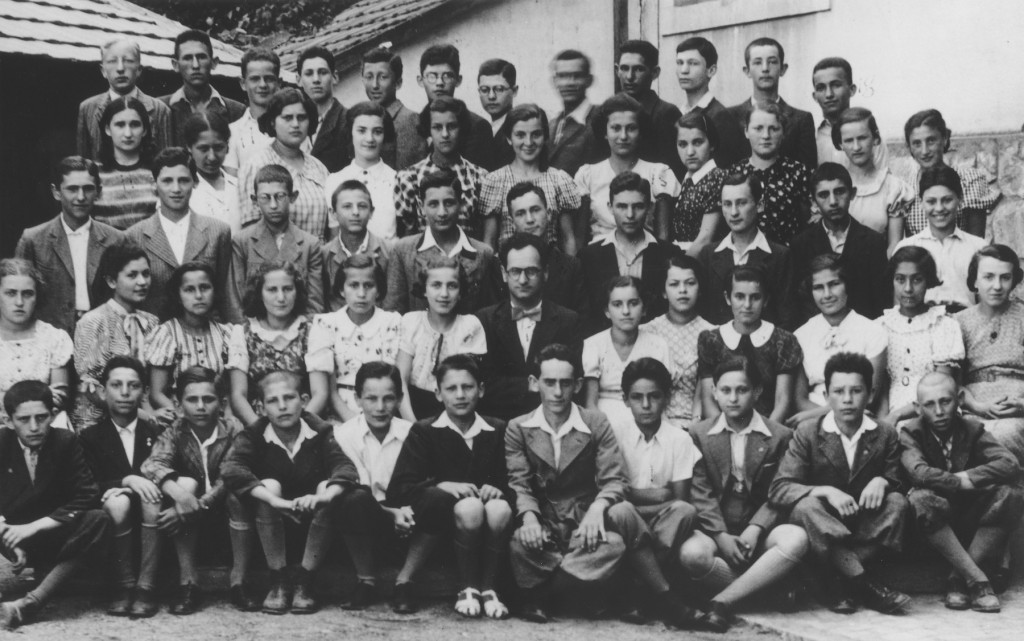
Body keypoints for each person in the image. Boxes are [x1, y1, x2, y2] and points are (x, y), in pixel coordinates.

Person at [506, 344, 694, 626]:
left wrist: (597, 510)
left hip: (585, 523)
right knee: (520, 544)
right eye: (550, 382)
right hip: (544, 521)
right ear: (535, 384)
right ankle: (578, 589)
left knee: (613, 545)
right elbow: (519, 482)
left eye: (566, 383)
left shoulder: (595, 422)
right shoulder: (518, 427)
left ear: (578, 385)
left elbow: (612, 479)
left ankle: (544, 594)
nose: (558, 392)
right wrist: (529, 518)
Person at [770, 352, 911, 615]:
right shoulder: (808, 432)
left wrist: (883, 481)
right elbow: (780, 488)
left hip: (862, 526)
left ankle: (835, 578)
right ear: (826, 396)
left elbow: (900, 482)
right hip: (822, 528)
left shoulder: (885, 433)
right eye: (838, 391)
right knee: (806, 507)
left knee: (898, 503)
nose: (847, 399)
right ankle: (863, 583)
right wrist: (825, 491)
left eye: (856, 391)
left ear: (870, 394)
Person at [681, 357, 807, 632]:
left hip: (758, 532)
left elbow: (781, 489)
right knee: (692, 554)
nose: (733, 398)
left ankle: (722, 601)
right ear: (714, 391)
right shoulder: (698, 433)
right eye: (725, 390)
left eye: (742, 390)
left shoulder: (781, 436)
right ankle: (765, 591)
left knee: (796, 539)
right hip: (716, 530)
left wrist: (756, 528)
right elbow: (699, 492)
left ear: (758, 391)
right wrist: (720, 536)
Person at [220, 370, 358, 614]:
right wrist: (274, 500)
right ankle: (279, 579)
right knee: (267, 485)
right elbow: (232, 468)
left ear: (304, 400)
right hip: (272, 529)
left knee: (330, 487)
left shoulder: (321, 431)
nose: (282, 406)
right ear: (260, 407)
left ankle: (306, 579)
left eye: (289, 398)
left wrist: (323, 497)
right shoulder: (254, 435)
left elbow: (344, 467)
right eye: (272, 401)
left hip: (313, 526)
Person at [387, 355, 514, 618]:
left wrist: (497, 487)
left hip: (490, 529)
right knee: (468, 507)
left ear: (481, 389)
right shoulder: (425, 430)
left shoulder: (497, 429)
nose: (460, 395)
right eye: (451, 388)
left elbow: (513, 478)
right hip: (440, 532)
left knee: (499, 508)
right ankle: (468, 586)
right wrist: (441, 484)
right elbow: (400, 488)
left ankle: (489, 587)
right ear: (438, 393)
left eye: (467, 387)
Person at [901, 372, 1023, 613]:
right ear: (918, 408)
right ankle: (978, 580)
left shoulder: (972, 428)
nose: (939, 411)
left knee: (1012, 492)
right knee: (920, 498)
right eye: (929, 404)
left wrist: (968, 479)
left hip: (970, 523)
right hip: (934, 527)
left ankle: (959, 577)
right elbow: (919, 473)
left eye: (945, 401)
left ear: (958, 399)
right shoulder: (910, 432)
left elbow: (1008, 463)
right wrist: (958, 484)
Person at [142, 366, 256, 612]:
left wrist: (198, 505)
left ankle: (239, 581)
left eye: (208, 399)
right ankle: (188, 581)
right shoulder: (175, 430)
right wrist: (181, 495)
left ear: (222, 402)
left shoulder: (234, 429)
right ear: (179, 404)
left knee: (238, 494)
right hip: (189, 521)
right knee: (183, 483)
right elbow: (153, 464)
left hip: (225, 512)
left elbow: (230, 474)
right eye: (192, 400)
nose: (201, 406)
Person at [0, 381, 111, 631]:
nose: (34, 427)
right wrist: (6, 534)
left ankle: (32, 602)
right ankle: (48, 576)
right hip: (12, 533)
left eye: (41, 417)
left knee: (99, 519)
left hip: (53, 530)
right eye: (23, 419)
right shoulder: (1, 443)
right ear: (8, 420)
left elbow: (87, 495)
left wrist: (33, 528)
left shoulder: (65, 441)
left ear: (53, 415)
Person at [610, 358, 702, 625]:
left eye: (654, 396)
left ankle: (638, 588)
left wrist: (636, 496)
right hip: (625, 521)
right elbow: (616, 494)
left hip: (665, 524)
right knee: (620, 510)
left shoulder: (680, 439)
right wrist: (656, 495)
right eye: (637, 398)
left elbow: (680, 499)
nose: (646, 405)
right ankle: (664, 599)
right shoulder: (615, 435)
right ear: (625, 399)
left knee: (685, 511)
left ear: (667, 398)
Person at [331, 362, 421, 613]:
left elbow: (417, 483)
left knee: (435, 498)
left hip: (406, 522)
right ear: (357, 399)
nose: (380, 408)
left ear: (400, 399)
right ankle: (365, 580)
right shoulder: (344, 435)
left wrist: (404, 511)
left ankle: (405, 582)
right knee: (353, 498)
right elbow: (357, 488)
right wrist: (391, 513)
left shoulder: (412, 433)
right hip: (364, 524)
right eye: (371, 398)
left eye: (388, 399)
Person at [78, 356, 164, 618]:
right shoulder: (89, 437)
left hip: (154, 521)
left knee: (151, 494)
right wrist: (125, 481)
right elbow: (87, 485)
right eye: (117, 385)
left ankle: (146, 587)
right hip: (116, 526)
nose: (125, 393)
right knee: (118, 501)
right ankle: (123, 584)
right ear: (103, 391)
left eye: (133, 385)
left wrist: (142, 483)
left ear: (145, 392)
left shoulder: (158, 432)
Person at [476, 233, 582, 421]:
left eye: (531, 271)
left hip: (552, 421)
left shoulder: (568, 320)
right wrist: (528, 385)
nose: (523, 280)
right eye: (515, 271)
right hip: (499, 422)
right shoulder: (485, 320)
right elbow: (483, 385)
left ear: (546, 273)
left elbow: (571, 382)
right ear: (503, 274)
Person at [15, 156, 125, 334]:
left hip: (104, 335)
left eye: (88, 189)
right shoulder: (33, 239)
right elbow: (18, 291)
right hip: (51, 336)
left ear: (99, 191)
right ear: (56, 192)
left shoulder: (117, 239)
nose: (81, 197)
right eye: (72, 189)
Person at [124, 147, 232, 320]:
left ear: (195, 182)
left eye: (183, 180)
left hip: (207, 333)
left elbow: (227, 295)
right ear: (154, 185)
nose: (176, 188)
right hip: (155, 335)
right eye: (167, 181)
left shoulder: (218, 232)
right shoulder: (134, 236)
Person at [71, 241, 161, 429]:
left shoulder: (151, 322)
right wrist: (142, 415)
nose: (142, 282)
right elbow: (90, 387)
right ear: (111, 281)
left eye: (146, 274)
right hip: (99, 420)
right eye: (132, 275)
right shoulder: (93, 321)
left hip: (145, 417)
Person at [698, 266, 803, 423]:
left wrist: (765, 436)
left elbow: (783, 400)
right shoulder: (711, 340)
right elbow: (708, 400)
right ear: (728, 298)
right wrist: (725, 435)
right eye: (739, 297)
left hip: (769, 430)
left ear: (765, 300)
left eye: (755, 297)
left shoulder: (783, 340)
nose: (747, 305)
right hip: (722, 430)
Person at [580, 172, 682, 332]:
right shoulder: (589, 257)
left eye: (638, 206)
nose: (630, 215)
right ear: (610, 207)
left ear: (649, 207)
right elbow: (588, 316)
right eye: (622, 206)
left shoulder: (668, 253)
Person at [385, 169, 498, 314]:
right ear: (421, 207)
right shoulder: (404, 250)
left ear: (461, 204)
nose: (442, 212)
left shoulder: (483, 253)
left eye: (449, 203)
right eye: (433, 204)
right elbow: (394, 311)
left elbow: (490, 314)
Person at [791, 255, 887, 425]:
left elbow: (870, 396)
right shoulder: (801, 336)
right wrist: (819, 417)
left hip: (859, 419)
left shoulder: (873, 331)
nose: (827, 294)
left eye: (834, 284)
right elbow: (800, 400)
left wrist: (823, 414)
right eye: (819, 287)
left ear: (847, 285)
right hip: (814, 421)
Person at [789, 162, 890, 322]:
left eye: (839, 192)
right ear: (813, 201)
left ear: (852, 193)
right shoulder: (801, 245)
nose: (833, 201)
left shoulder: (873, 242)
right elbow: (800, 302)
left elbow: (881, 301)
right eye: (823, 195)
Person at [306, 254, 402, 421]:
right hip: (338, 416)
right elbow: (328, 392)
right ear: (342, 289)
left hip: (383, 412)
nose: (361, 293)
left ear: (378, 289)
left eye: (369, 286)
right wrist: (353, 424)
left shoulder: (391, 323)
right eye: (353, 285)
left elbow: (392, 383)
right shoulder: (325, 324)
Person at [480, 103, 582, 255]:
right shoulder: (495, 181)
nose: (528, 142)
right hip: (508, 271)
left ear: (545, 136)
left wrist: (569, 274)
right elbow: (489, 241)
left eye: (536, 134)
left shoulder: (559, 180)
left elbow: (568, 239)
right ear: (509, 138)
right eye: (520, 135)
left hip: (550, 270)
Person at [575, 95, 680, 241]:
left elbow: (663, 236)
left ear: (640, 132)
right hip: (599, 257)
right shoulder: (588, 175)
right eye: (616, 128)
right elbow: (579, 237)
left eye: (631, 128)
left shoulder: (657, 173)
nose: (623, 136)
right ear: (605, 132)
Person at [878, 246, 964, 424]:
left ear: (928, 281)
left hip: (936, 410)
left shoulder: (944, 325)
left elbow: (942, 388)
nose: (908, 288)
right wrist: (883, 422)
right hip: (890, 411)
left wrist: (897, 415)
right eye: (900, 280)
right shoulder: (880, 326)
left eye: (917, 280)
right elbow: (881, 387)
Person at [955, 244, 1024, 464]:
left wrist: (1022, 404)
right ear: (974, 281)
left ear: (1014, 281)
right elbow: (949, 380)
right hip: (972, 408)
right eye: (988, 277)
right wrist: (977, 406)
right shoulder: (958, 322)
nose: (997, 286)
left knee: (1005, 433)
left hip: (1017, 410)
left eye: (1005, 277)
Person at [229, 163, 325, 320]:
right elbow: (236, 300)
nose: (273, 205)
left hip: (298, 331)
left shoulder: (309, 244)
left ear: (292, 197)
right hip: (255, 332)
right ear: (254, 200)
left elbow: (315, 305)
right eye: (265, 198)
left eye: (280, 196)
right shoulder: (242, 241)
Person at [396, 256, 487, 420]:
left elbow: (464, 383)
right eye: (436, 285)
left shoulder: (469, 326)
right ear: (424, 289)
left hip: (455, 410)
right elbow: (400, 379)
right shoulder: (411, 322)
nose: (444, 294)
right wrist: (413, 425)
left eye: (452, 286)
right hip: (411, 408)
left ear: (461, 292)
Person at [227, 262, 317, 427]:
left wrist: (300, 430)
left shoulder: (312, 331)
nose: (281, 298)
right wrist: (262, 433)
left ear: (297, 292)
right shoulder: (243, 333)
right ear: (259, 294)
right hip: (257, 425)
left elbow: (320, 394)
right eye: (272, 290)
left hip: (304, 425)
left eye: (288, 289)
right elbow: (238, 395)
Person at [698, 173, 793, 327]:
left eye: (741, 203)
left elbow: (786, 318)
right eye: (727, 204)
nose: (734, 212)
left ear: (759, 205)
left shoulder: (780, 256)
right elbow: (703, 315)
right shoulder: (708, 255)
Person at [237, 88, 331, 241]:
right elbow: (253, 234)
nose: (295, 124)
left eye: (301, 117)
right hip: (277, 262)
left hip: (318, 260)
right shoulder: (256, 166)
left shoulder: (319, 168)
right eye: (287, 118)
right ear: (273, 122)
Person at [894, 165, 988, 313]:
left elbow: (985, 305)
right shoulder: (907, 247)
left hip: (966, 323)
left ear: (960, 199)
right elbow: (899, 306)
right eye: (931, 201)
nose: (939, 208)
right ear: (921, 203)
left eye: (947, 200)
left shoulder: (978, 247)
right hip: (922, 324)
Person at [582, 276, 672, 428]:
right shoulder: (594, 345)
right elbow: (591, 404)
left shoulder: (658, 345)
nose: (626, 311)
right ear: (607, 311)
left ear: (644, 309)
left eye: (633, 303)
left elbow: (663, 397)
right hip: (605, 425)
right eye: (617, 304)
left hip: (648, 421)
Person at [146, 262, 232, 417]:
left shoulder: (226, 334)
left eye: (205, 287)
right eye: (189, 290)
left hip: (217, 416)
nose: (199, 296)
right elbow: (156, 393)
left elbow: (231, 390)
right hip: (179, 417)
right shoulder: (167, 333)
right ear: (178, 296)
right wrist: (185, 416)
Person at [394, 97, 487, 237]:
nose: (445, 134)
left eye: (451, 126)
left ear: (461, 129)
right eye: (437, 127)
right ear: (428, 130)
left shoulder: (479, 176)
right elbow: (408, 236)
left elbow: (482, 235)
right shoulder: (409, 177)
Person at [641, 254, 715, 426]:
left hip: (699, 424)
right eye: (674, 284)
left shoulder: (713, 334)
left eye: (690, 283)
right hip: (654, 423)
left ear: (700, 288)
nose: (683, 290)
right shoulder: (647, 332)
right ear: (663, 292)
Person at [903, 109, 999, 238]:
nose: (924, 151)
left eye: (931, 140)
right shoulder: (905, 188)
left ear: (944, 139)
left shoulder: (969, 181)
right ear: (909, 147)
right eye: (917, 143)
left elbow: (975, 242)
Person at [0, 259, 73, 428]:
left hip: (43, 428)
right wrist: (42, 394)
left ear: (37, 296)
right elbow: (49, 397)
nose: (19, 302)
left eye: (27, 293)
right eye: (10, 293)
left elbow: (59, 398)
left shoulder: (54, 338)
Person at [729, 102, 813, 246]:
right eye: (758, 128)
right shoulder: (734, 173)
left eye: (773, 129)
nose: (766, 136)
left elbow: (807, 223)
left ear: (783, 132)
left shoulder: (798, 172)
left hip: (788, 257)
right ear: (746, 131)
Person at [76, 38, 171, 161]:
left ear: (139, 69)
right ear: (103, 71)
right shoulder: (88, 108)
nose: (120, 68)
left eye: (128, 61)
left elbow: (168, 163)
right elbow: (83, 163)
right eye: (112, 61)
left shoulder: (160, 110)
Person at [727, 37, 815, 168]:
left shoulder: (801, 120)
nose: (765, 68)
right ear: (747, 71)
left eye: (772, 62)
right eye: (757, 62)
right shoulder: (729, 117)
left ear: (783, 69)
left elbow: (808, 171)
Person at [832, 107, 912, 251]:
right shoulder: (834, 186)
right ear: (840, 144)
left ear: (875, 139)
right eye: (849, 140)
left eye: (862, 138)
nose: (856, 147)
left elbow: (894, 245)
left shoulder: (892, 186)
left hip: (879, 268)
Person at [504, 183, 588, 315]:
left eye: (535, 210)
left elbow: (580, 320)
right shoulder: (503, 267)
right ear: (511, 221)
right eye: (520, 213)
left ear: (548, 214)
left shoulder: (571, 267)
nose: (530, 219)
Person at [324, 101, 398, 240]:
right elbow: (334, 240)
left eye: (377, 131)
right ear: (350, 132)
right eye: (361, 130)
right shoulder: (334, 181)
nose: (369, 139)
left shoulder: (396, 180)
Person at [160, 30, 245, 146]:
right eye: (187, 58)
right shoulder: (161, 108)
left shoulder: (236, 111)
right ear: (175, 65)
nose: (195, 65)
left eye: (201, 57)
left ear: (214, 63)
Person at [416, 44, 493, 169]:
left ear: (458, 80)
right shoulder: (415, 122)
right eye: (432, 76)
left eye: (447, 76)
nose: (440, 83)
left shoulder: (477, 126)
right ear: (420, 80)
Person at [615, 39, 684, 178]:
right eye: (624, 68)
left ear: (655, 72)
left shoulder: (666, 114)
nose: (629, 77)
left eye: (639, 69)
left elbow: (674, 173)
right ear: (617, 70)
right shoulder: (609, 113)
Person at [321, 180, 394, 311]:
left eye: (362, 206)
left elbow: (393, 302)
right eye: (347, 206)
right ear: (333, 213)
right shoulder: (324, 255)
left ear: (371, 212)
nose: (355, 212)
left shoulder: (389, 252)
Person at [673, 37, 746, 168]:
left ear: (711, 70)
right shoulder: (678, 112)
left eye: (693, 63)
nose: (684, 70)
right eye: (679, 62)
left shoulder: (720, 116)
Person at [92, 96, 159, 230]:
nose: (128, 133)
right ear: (107, 129)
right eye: (120, 125)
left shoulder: (158, 170)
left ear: (145, 130)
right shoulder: (94, 172)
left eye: (135, 125)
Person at [811, 57, 888, 170]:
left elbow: (881, 180)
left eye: (836, 85)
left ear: (851, 90)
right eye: (821, 88)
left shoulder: (870, 137)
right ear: (815, 96)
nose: (829, 94)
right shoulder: (811, 136)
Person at [669, 111, 729, 254]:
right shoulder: (687, 180)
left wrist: (681, 267)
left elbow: (706, 238)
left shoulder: (717, 178)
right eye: (682, 144)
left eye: (697, 142)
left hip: (704, 258)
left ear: (712, 144)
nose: (690, 152)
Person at [361, 46, 428, 170]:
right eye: (369, 77)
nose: (375, 85)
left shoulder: (408, 120)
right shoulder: (363, 121)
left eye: (383, 77)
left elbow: (408, 175)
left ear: (398, 83)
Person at [224, 48, 283, 172]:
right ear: (243, 83)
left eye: (269, 78)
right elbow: (232, 182)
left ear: (279, 83)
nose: (262, 85)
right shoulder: (232, 133)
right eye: (255, 79)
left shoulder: (294, 125)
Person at [183, 112, 242, 235]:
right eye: (203, 149)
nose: (212, 157)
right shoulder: (181, 190)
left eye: (218, 148)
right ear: (189, 147)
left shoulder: (240, 186)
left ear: (227, 146)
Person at [548, 49, 603, 179]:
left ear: (589, 80)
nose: (570, 83)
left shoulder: (600, 121)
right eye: (563, 76)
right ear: (554, 81)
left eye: (577, 76)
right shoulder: (552, 124)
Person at [297, 46, 349, 173]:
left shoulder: (348, 122)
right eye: (309, 73)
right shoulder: (294, 123)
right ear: (298, 80)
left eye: (322, 72)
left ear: (335, 77)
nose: (316, 80)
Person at [477, 58, 518, 168]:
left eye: (499, 89)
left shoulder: (518, 129)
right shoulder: (482, 129)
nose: (491, 96)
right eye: (485, 90)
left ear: (514, 91)